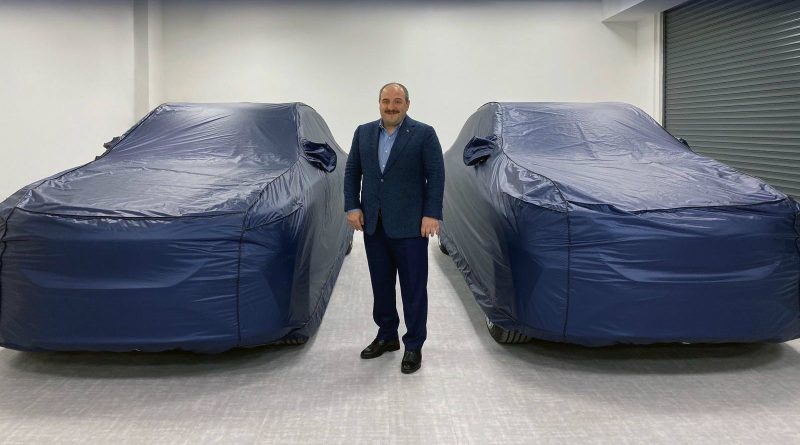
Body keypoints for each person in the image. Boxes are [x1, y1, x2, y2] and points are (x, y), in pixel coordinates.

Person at [343, 82, 444, 374]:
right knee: (382, 286)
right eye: (386, 101)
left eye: (397, 101)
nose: (391, 106)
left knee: (413, 289)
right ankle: (387, 335)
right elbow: (352, 171)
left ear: (407, 105)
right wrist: (352, 206)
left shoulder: (424, 134)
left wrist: (431, 214)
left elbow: (436, 175)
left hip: (411, 226)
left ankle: (413, 345)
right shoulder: (363, 132)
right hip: (374, 225)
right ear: (379, 103)